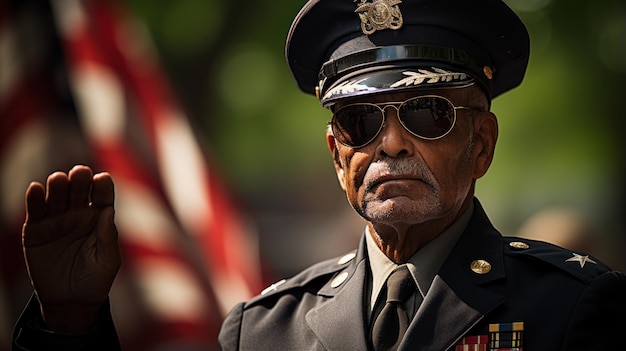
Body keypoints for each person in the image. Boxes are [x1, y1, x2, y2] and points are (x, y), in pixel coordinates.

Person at [12, 0, 626, 350]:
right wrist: (68, 322)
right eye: (359, 121)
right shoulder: (261, 330)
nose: (389, 142)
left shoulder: (574, 309)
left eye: (426, 113)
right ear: (338, 156)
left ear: (482, 144)